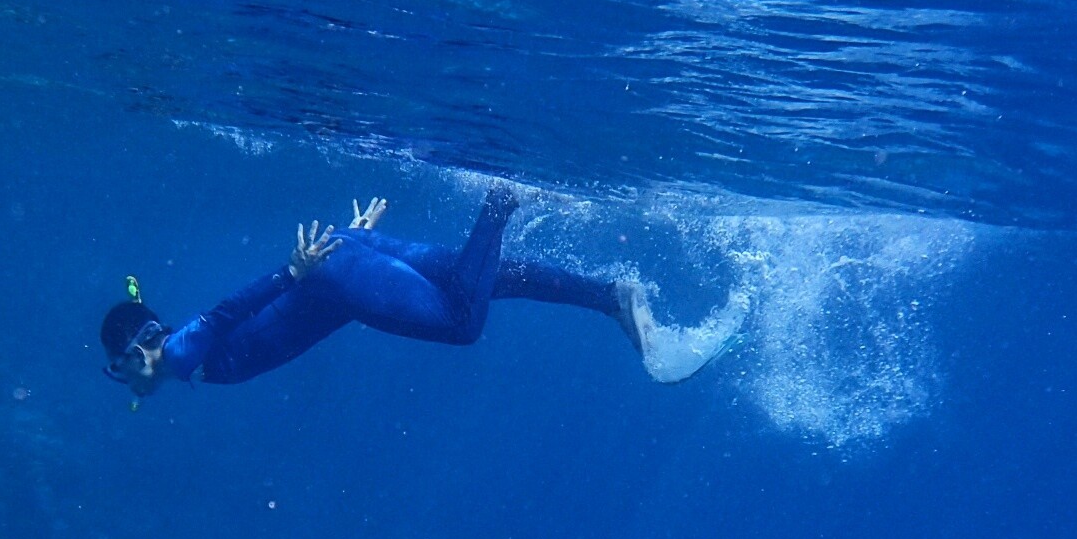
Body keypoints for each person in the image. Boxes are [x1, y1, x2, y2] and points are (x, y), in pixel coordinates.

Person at [100, 183, 745, 397]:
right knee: (488, 280)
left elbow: (220, 316)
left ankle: (501, 195)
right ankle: (612, 297)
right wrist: (338, 255)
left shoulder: (181, 356)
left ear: (138, 351)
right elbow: (252, 319)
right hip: (343, 266)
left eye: (123, 373)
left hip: (336, 273)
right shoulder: (184, 355)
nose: (132, 387)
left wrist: (293, 272)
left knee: (463, 319)